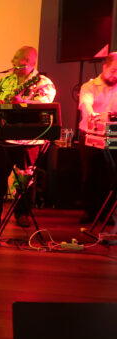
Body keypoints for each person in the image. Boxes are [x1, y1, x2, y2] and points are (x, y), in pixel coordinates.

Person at [0, 46, 56, 228]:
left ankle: (22, 214)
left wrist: (23, 103)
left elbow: (43, 109)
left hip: (28, 140)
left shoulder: (43, 83)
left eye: (16, 58)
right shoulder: (6, 80)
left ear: (29, 62)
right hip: (3, 137)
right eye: (13, 58)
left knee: (24, 178)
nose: (12, 61)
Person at [78, 52, 117, 224]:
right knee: (90, 173)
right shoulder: (90, 86)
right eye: (113, 70)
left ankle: (107, 213)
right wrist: (93, 115)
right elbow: (86, 104)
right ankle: (89, 211)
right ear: (104, 67)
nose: (115, 75)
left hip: (112, 134)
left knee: (111, 173)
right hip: (90, 133)